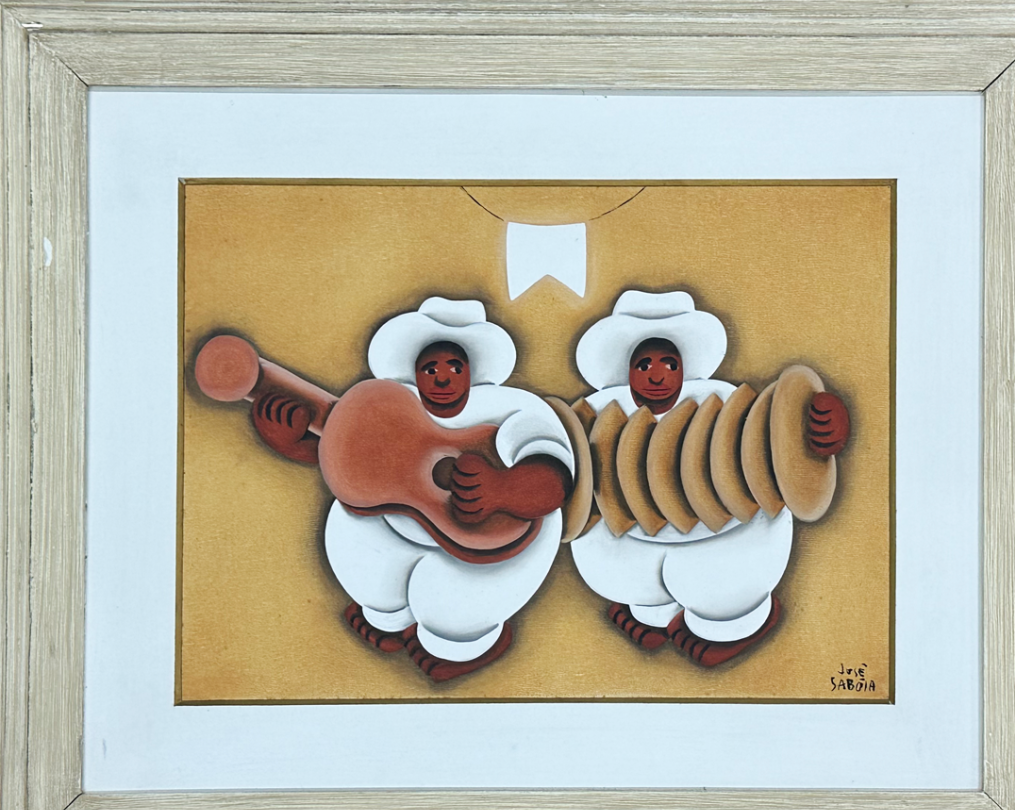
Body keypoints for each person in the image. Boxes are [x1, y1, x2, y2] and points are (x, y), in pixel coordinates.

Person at [253, 297, 574, 682]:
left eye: (454, 367)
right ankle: (387, 616)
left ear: (472, 369)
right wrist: (291, 442)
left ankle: (469, 644)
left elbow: (553, 475)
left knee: (451, 611)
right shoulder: (390, 405)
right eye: (431, 368)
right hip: (399, 530)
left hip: (483, 550)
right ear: (414, 371)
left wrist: (502, 489)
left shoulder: (511, 408)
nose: (442, 379)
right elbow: (351, 459)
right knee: (358, 536)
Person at [569, 289, 849, 667]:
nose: (657, 375)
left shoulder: (723, 405)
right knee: (621, 566)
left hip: (718, 534)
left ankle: (735, 625)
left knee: (722, 583)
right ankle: (652, 612)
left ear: (684, 367)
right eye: (645, 364)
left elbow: (773, 437)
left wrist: (820, 431)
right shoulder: (600, 412)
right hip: (633, 536)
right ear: (628, 369)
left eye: (669, 364)